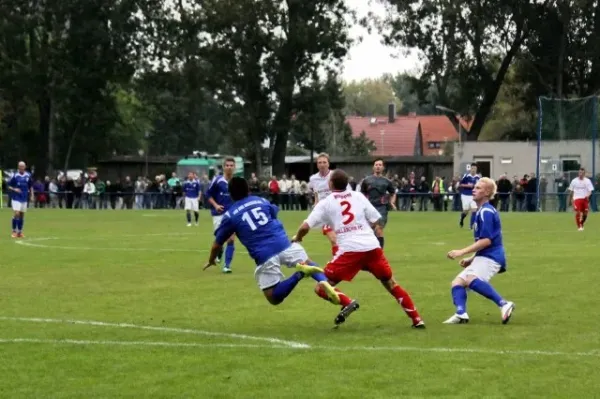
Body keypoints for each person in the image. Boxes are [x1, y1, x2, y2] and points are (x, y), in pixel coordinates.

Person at [293, 169, 425, 328]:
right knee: (391, 283)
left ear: (330, 184)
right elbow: (376, 219)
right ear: (347, 184)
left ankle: (347, 302)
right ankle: (417, 319)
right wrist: (362, 228)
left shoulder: (326, 202)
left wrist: (298, 238)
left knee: (322, 287)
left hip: (350, 251)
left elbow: (305, 226)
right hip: (371, 247)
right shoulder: (358, 196)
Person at [203, 177, 341, 306]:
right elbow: (273, 213)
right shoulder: (260, 200)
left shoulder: (230, 215)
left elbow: (217, 244)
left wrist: (211, 260)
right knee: (310, 262)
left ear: (230, 194)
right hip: (285, 243)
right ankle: (325, 282)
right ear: (248, 190)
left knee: (273, 297)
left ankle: (300, 273)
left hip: (265, 254)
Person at [445, 177, 515, 324]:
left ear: (487, 192)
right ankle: (461, 313)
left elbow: (487, 240)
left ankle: (504, 304)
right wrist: (472, 259)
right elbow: (483, 241)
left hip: (492, 256)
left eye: (478, 188)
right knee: (457, 282)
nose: (473, 190)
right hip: (484, 255)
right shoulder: (480, 211)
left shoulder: (486, 212)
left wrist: (461, 252)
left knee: (470, 279)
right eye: (474, 187)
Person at [308, 153, 351, 255]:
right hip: (325, 213)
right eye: (320, 162)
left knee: (341, 239)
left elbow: (348, 191)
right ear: (317, 165)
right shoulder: (313, 179)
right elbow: (316, 193)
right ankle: (338, 258)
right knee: (333, 239)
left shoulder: (335, 176)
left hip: (339, 211)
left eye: (324, 162)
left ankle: (341, 256)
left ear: (328, 164)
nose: (322, 164)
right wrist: (316, 204)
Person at [206, 158, 236, 273]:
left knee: (231, 239)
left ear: (234, 167)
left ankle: (227, 266)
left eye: (231, 165)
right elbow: (208, 194)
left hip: (232, 214)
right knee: (219, 238)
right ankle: (219, 251)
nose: (229, 167)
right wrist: (216, 205)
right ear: (224, 167)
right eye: (227, 165)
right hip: (218, 214)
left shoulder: (237, 181)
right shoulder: (217, 180)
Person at [360, 158, 397, 248]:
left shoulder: (387, 181)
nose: (378, 167)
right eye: (376, 165)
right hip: (369, 207)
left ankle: (380, 253)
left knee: (379, 229)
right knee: (370, 230)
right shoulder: (366, 180)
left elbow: (393, 193)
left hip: (382, 207)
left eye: (380, 165)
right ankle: (370, 250)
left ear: (383, 167)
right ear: (373, 167)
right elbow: (362, 194)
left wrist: (392, 202)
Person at [7, 161, 33, 238]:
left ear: (25, 167)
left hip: (24, 197)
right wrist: (15, 189)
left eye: (23, 166)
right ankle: (14, 231)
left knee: (21, 215)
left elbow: (30, 186)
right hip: (16, 197)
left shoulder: (28, 175)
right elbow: (9, 186)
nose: (21, 168)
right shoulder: (15, 175)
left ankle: (20, 232)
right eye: (20, 166)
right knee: (17, 213)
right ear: (18, 167)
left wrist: (32, 195)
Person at [459, 164, 480, 229]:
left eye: (475, 169)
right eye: (472, 168)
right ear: (470, 169)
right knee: (466, 211)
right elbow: (460, 184)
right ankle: (462, 219)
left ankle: (471, 226)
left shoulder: (478, 177)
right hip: (465, 195)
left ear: (476, 169)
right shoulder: (466, 176)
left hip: (473, 195)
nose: (473, 170)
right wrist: (468, 186)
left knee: (474, 210)